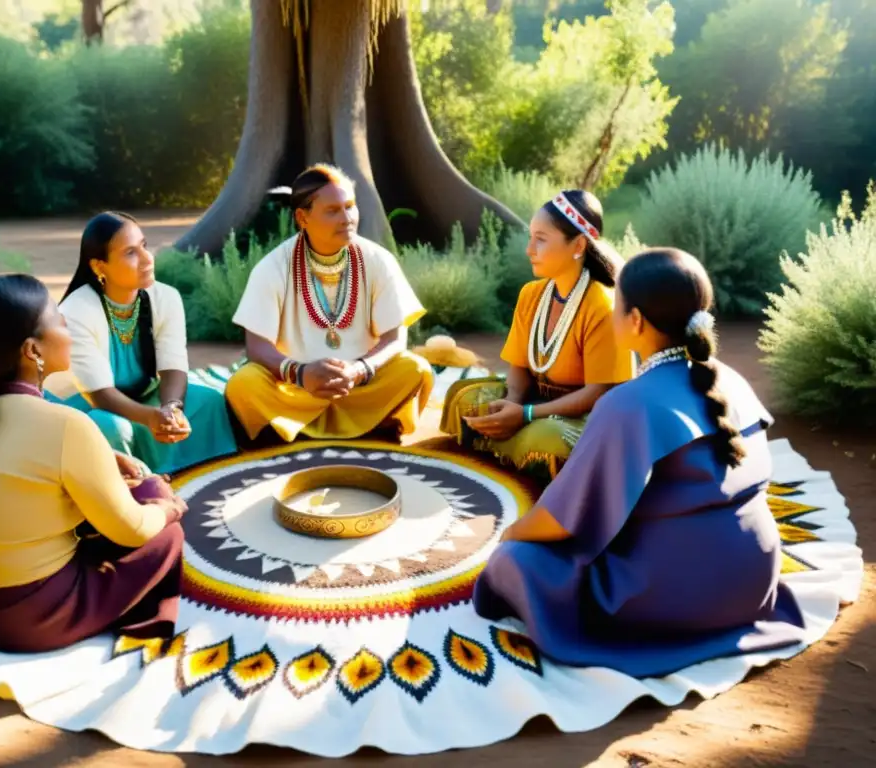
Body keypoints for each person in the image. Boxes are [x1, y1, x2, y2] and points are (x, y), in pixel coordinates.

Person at [472, 249, 806, 678]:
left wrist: (511, 533)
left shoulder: (628, 404)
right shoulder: (731, 380)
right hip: (754, 581)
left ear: (635, 321)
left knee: (517, 560)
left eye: (616, 306)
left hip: (676, 597)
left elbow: (564, 520)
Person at [0, 274, 189, 653]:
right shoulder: (66, 426)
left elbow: (11, 473)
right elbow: (132, 531)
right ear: (33, 350)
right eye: (61, 324)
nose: (70, 334)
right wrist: (168, 509)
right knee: (161, 521)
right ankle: (140, 623)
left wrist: (99, 456)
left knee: (132, 493)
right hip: (22, 619)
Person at [224, 164, 434, 443]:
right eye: (333, 211)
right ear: (302, 217)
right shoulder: (273, 267)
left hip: (362, 388)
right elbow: (257, 346)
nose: (347, 218)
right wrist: (301, 373)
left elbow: (395, 338)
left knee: (416, 370)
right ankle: (337, 429)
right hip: (295, 391)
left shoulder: (377, 260)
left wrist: (358, 370)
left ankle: (361, 425)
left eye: (350, 206)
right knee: (244, 384)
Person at [440, 190, 633, 484]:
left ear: (578, 245)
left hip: (584, 415)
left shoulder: (602, 305)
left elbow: (597, 393)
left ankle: (511, 448)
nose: (529, 249)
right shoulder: (532, 295)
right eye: (531, 237)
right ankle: (513, 444)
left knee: (549, 439)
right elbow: (518, 364)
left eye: (541, 239)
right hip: (531, 399)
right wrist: (513, 401)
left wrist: (526, 414)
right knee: (462, 398)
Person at [45, 212, 237, 475]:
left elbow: (173, 366)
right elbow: (98, 394)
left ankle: (199, 475)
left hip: (146, 393)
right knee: (112, 428)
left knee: (209, 402)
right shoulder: (76, 311)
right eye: (130, 253)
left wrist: (171, 409)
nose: (147, 259)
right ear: (99, 266)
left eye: (144, 246)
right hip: (86, 404)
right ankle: (131, 489)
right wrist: (150, 418)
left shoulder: (165, 297)